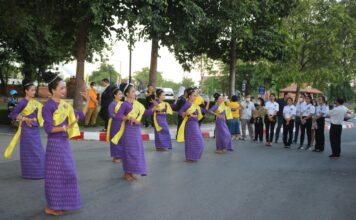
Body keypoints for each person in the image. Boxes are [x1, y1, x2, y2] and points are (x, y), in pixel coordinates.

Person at [42, 71, 89, 216]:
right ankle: (52, 206)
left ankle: (61, 203)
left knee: (68, 174)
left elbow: (79, 116)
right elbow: (49, 129)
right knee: (54, 176)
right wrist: (64, 128)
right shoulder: (48, 107)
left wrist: (88, 102)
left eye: (64, 87)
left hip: (64, 144)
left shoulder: (65, 105)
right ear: (53, 90)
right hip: (54, 145)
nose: (64, 90)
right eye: (61, 88)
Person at [111, 84, 154, 181]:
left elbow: (145, 112)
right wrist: (128, 117)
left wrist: (153, 109)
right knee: (129, 152)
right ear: (127, 93)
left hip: (136, 130)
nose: (135, 93)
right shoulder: (125, 104)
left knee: (135, 151)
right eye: (133, 91)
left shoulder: (136, 104)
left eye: (135, 91)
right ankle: (127, 173)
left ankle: (131, 172)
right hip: (128, 130)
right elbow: (118, 116)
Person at [4, 78, 45, 179]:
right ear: (26, 91)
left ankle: (40, 172)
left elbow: (43, 112)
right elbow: (13, 114)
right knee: (29, 151)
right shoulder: (22, 102)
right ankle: (29, 173)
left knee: (38, 150)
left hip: (35, 130)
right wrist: (25, 119)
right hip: (26, 130)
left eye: (35, 90)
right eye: (32, 90)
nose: (34, 92)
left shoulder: (35, 102)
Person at [177, 88, 205, 162]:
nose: (195, 97)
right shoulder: (188, 104)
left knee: (198, 141)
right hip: (190, 125)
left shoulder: (193, 104)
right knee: (192, 141)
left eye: (196, 96)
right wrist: (188, 114)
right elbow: (180, 112)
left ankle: (193, 156)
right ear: (189, 96)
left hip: (195, 125)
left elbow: (204, 111)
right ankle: (190, 157)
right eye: (194, 95)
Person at [107, 88, 125, 163]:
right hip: (115, 123)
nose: (121, 95)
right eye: (119, 94)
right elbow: (111, 114)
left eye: (121, 94)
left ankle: (121, 155)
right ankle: (115, 157)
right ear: (115, 95)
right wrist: (118, 116)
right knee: (115, 139)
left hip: (122, 123)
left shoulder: (123, 103)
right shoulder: (113, 104)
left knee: (121, 139)